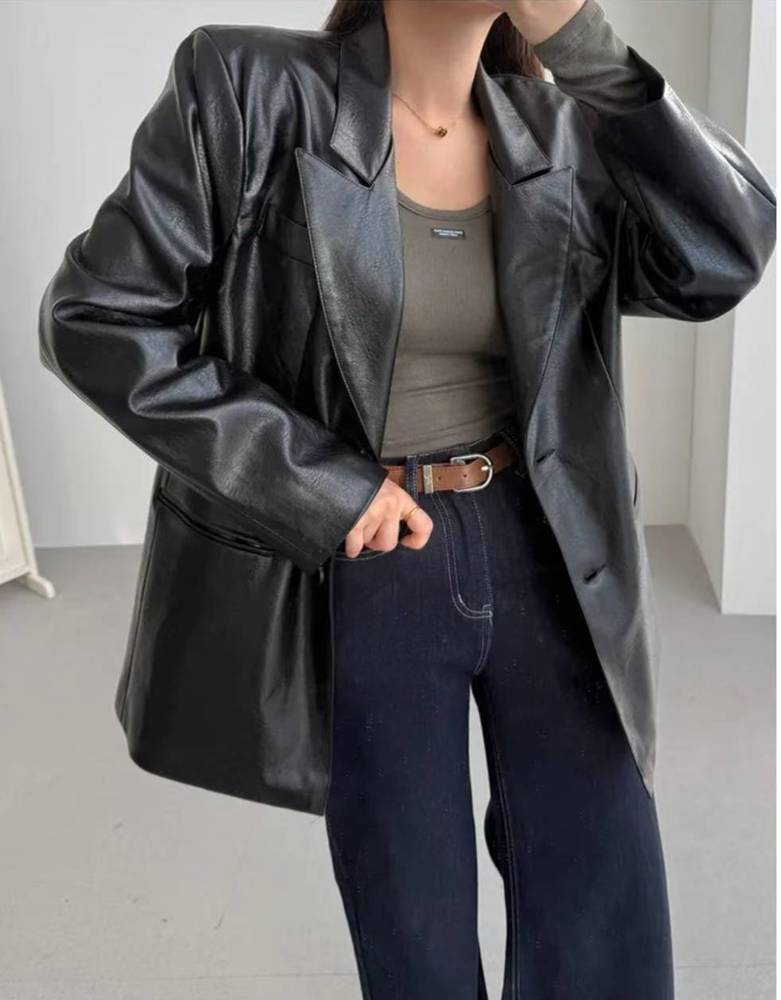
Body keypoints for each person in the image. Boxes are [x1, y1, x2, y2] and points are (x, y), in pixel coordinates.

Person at [38, 0, 776, 997]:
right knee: (413, 923)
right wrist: (322, 486)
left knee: (604, 903)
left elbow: (724, 253)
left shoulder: (560, 130)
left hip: (551, 546)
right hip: (377, 552)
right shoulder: (251, 90)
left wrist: (584, 45)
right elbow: (96, 317)